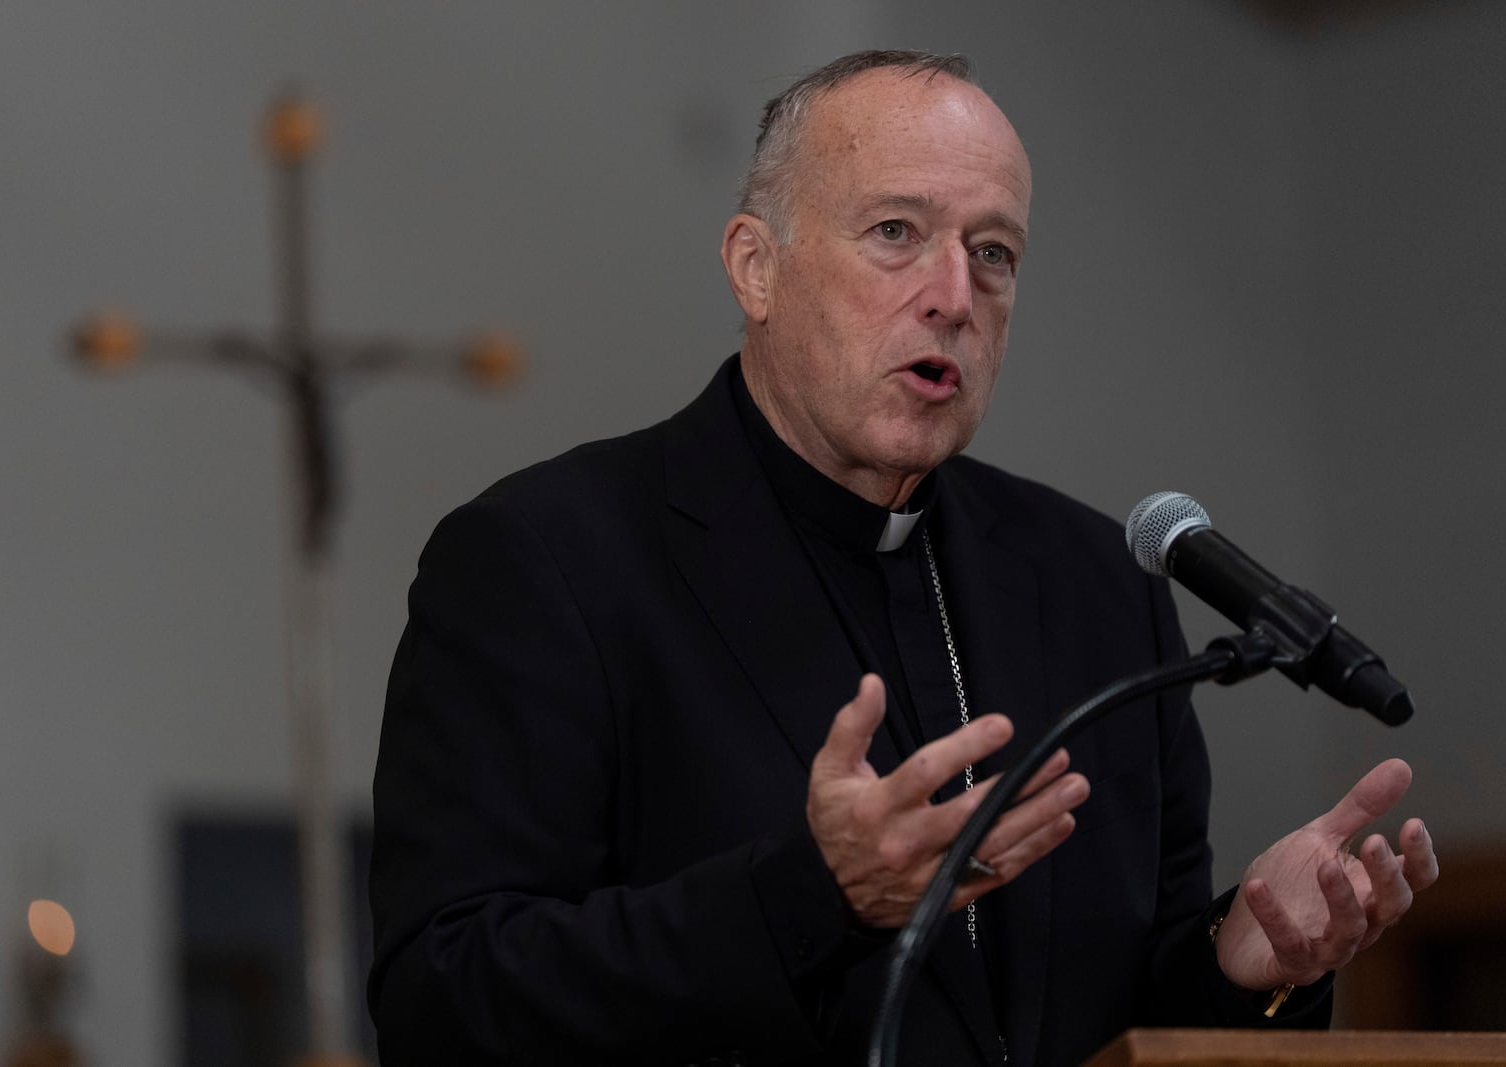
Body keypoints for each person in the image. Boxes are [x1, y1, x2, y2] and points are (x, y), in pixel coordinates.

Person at [368, 50, 1438, 1066]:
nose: (953, 294)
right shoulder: (550, 557)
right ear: (756, 267)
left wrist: (1242, 962)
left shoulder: (1096, 585)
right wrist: (809, 892)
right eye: (895, 230)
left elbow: (1117, 1013)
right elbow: (444, 1002)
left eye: (992, 252)